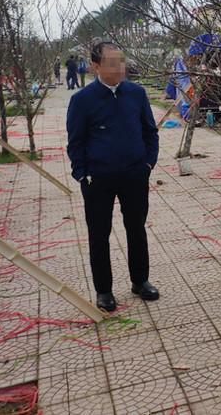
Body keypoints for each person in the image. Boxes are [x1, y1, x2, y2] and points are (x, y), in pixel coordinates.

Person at [66, 41, 160, 312]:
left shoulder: (136, 93)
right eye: (111, 62)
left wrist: (148, 164)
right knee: (99, 234)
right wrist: (82, 175)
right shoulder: (82, 100)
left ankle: (140, 281)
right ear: (95, 66)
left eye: (121, 61)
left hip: (134, 174)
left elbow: (149, 132)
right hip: (98, 178)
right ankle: (104, 290)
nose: (120, 67)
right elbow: (76, 142)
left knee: (136, 228)